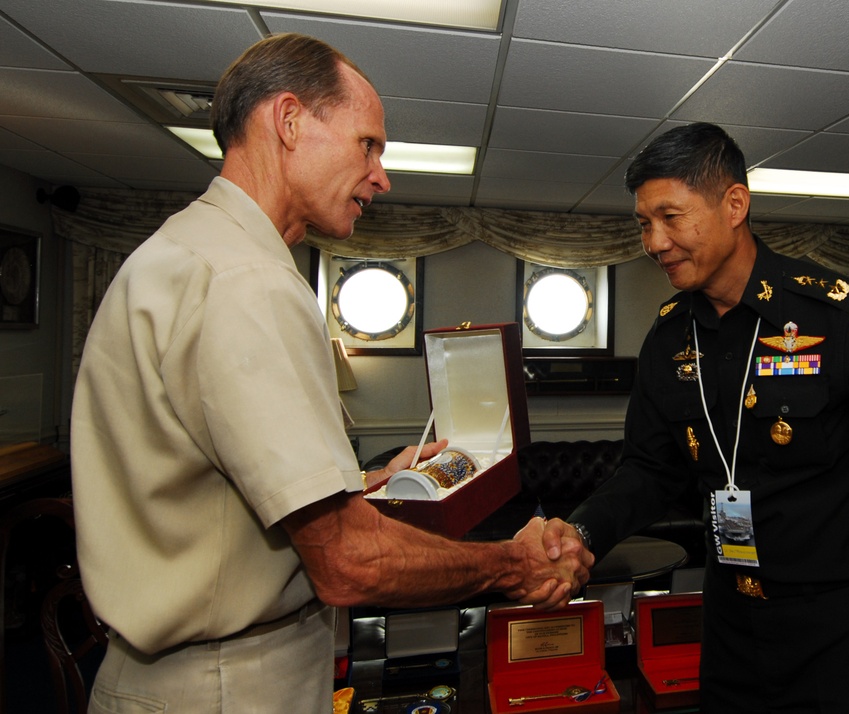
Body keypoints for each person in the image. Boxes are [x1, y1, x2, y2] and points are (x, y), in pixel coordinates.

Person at [70, 33, 591, 713]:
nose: (382, 175)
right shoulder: (247, 283)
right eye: (367, 145)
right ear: (289, 122)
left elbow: (211, 490)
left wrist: (372, 481)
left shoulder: (187, 252)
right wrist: (515, 566)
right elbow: (348, 562)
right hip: (226, 685)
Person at [543, 123, 849, 713]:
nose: (654, 242)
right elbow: (648, 471)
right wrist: (581, 532)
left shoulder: (844, 320)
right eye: (643, 223)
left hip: (841, 628)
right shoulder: (668, 338)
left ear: (734, 204)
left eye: (670, 216)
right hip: (731, 620)